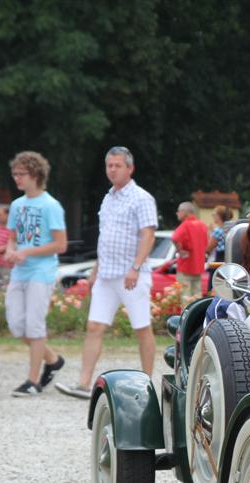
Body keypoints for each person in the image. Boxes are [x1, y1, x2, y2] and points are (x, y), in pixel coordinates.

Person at [55, 146, 158, 399]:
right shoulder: (108, 197)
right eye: (109, 165)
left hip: (132, 274)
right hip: (106, 274)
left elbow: (148, 235)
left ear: (129, 168)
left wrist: (135, 267)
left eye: (117, 165)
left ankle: (148, 383)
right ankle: (83, 384)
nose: (112, 170)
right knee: (94, 326)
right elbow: (106, 238)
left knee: (141, 327)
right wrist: (95, 271)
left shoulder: (142, 198)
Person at [3, 151, 67, 397]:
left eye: (21, 174)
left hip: (42, 272)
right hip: (20, 272)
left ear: (36, 175)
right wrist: (10, 250)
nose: (16, 178)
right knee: (17, 326)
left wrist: (27, 252)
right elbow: (11, 238)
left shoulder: (51, 205)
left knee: (34, 327)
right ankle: (53, 359)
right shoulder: (17, 205)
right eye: (15, 173)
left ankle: (33, 382)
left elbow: (60, 245)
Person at [171, 201, 208, 301]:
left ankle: (186, 317)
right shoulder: (202, 225)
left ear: (185, 212)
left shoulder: (185, 225)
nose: (177, 213)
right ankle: (197, 317)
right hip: (198, 267)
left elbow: (174, 237)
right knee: (197, 297)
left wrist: (180, 250)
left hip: (185, 266)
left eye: (178, 211)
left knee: (185, 298)